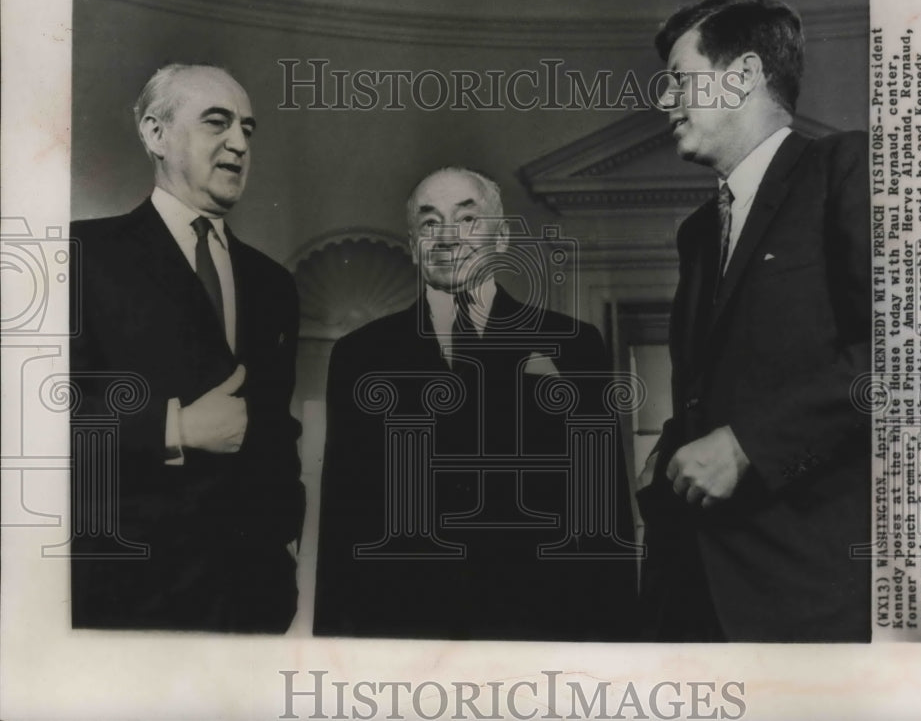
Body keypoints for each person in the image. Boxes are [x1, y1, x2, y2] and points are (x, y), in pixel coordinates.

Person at [314, 167, 637, 640]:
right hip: (403, 635)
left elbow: (602, 509)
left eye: (467, 220)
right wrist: (336, 652)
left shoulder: (573, 345)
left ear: (501, 238)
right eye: (429, 224)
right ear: (413, 246)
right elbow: (342, 519)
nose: (447, 238)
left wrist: (618, 650)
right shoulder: (360, 356)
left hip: (538, 633)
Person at [637, 0, 871, 642]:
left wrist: (747, 445)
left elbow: (901, 359)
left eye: (679, 80)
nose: (666, 102)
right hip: (690, 602)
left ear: (740, 77)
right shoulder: (697, 233)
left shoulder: (846, 170)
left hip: (805, 602)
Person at [70, 64, 305, 633]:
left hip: (252, 604)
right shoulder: (82, 254)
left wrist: (284, 547)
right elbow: (29, 413)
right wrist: (174, 427)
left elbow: (276, 431)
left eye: (248, 129)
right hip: (128, 603)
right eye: (217, 123)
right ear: (155, 134)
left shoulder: (273, 283)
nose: (239, 144)